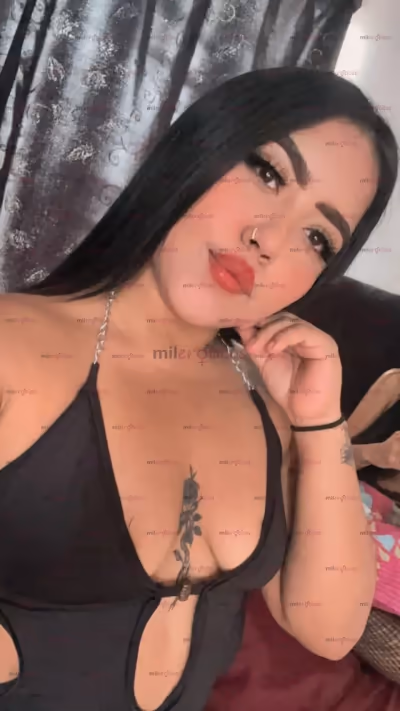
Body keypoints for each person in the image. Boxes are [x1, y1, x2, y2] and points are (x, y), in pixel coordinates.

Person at [0, 66, 397, 711]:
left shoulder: (266, 404)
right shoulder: (16, 347)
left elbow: (330, 629)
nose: (267, 241)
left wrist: (320, 422)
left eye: (317, 237)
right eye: (268, 173)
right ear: (198, 148)